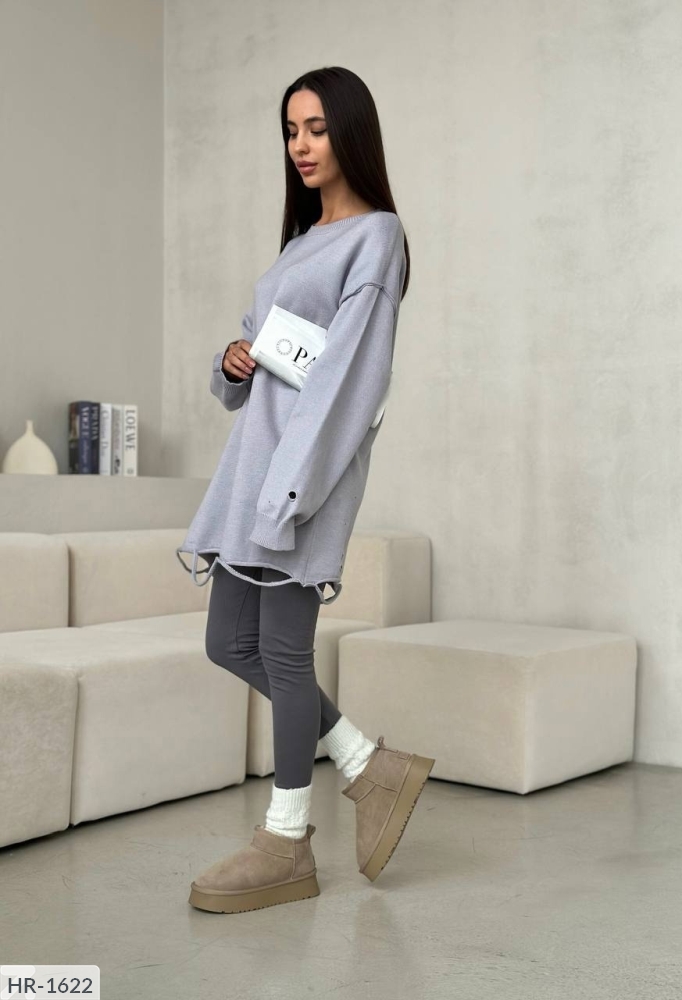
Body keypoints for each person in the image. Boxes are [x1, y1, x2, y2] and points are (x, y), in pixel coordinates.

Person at [178, 66, 434, 914]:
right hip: (251, 472)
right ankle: (367, 763)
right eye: (291, 130)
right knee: (229, 642)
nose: (301, 145)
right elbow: (259, 372)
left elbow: (350, 384)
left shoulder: (378, 237)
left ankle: (287, 841)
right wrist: (232, 363)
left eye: (317, 128)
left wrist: (291, 495)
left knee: (285, 655)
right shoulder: (297, 245)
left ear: (350, 131)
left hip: (298, 482)